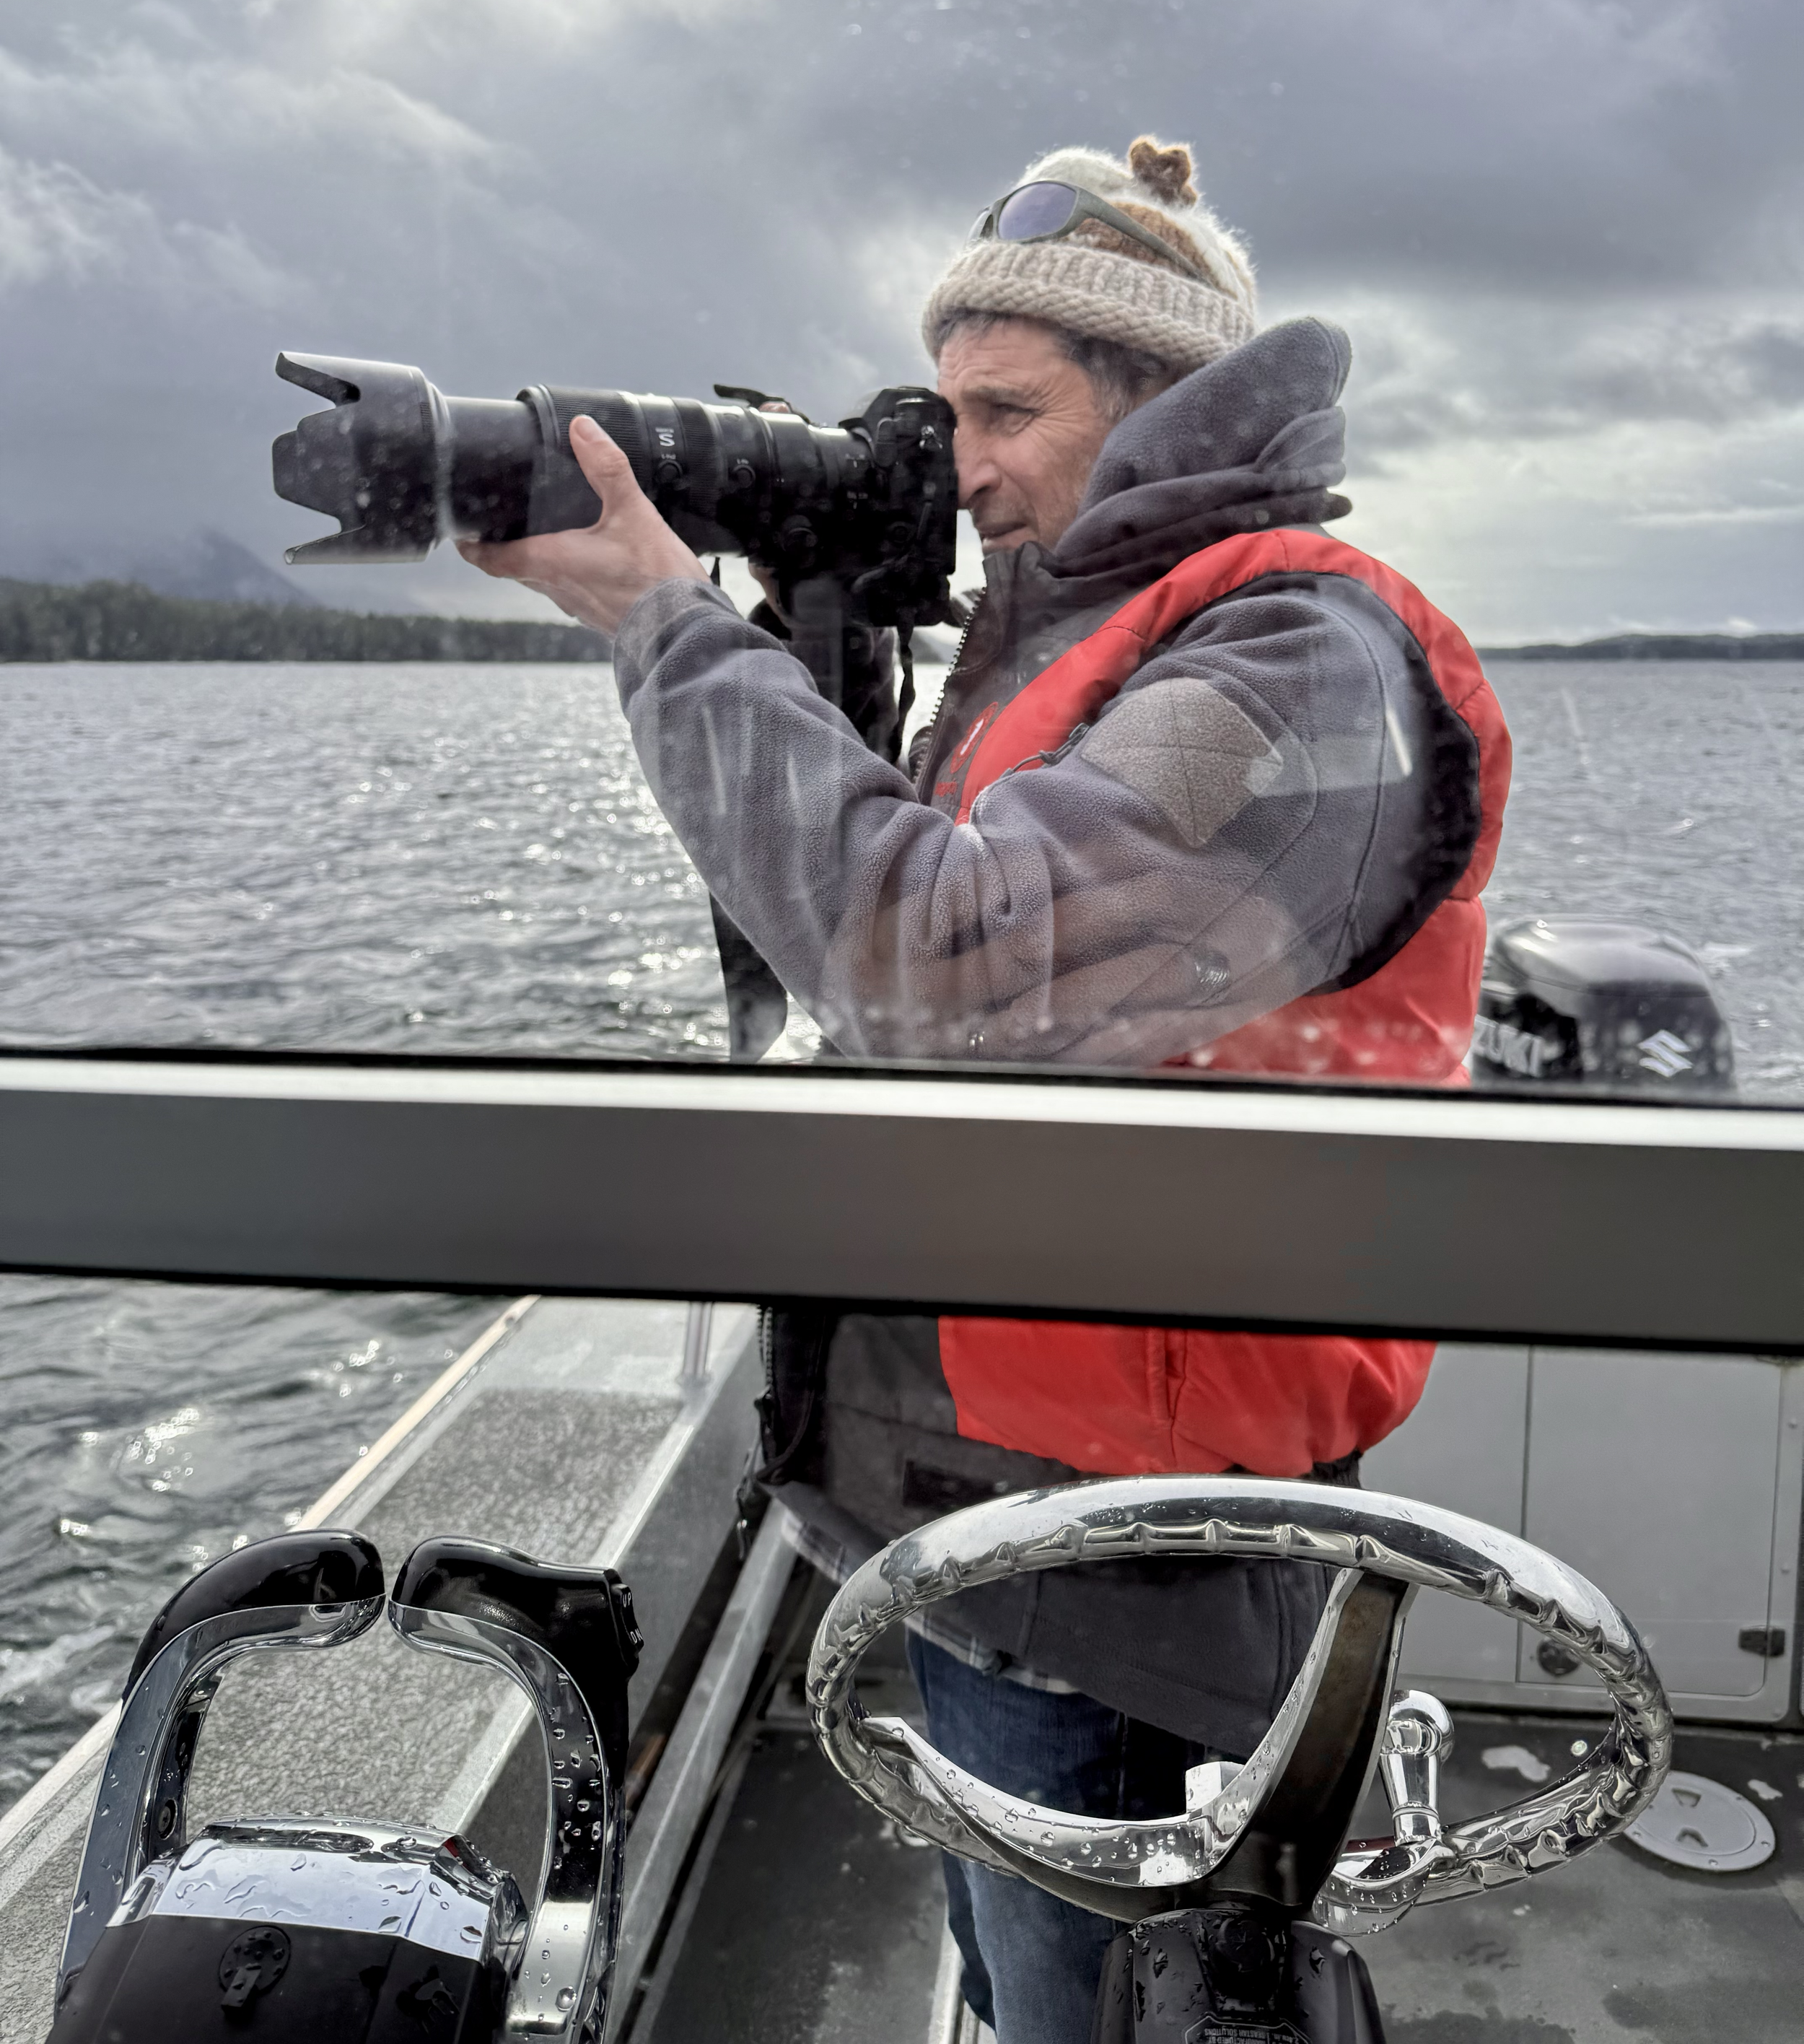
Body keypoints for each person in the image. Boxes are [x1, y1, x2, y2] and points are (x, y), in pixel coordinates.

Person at [460, 135, 1510, 2044]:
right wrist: (797, 609)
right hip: (978, 1521)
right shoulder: (1076, 629)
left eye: (1005, 410)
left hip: (1134, 1571)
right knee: (1013, 1977)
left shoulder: (1295, 656)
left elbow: (942, 969)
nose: (965, 468)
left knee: (1095, 2012)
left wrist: (660, 623)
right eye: (947, 415)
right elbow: (842, 943)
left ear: (1163, 396)